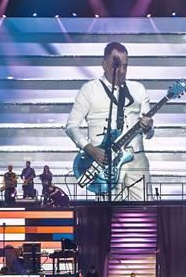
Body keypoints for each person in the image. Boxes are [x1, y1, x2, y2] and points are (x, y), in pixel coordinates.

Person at [64, 42, 154, 201]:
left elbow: (150, 132)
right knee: (109, 212)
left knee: (145, 208)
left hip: (137, 160)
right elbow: (71, 126)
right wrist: (90, 149)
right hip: (105, 161)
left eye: (125, 66)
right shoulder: (90, 89)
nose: (121, 71)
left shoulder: (139, 89)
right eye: (116, 65)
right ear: (104, 64)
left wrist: (148, 127)